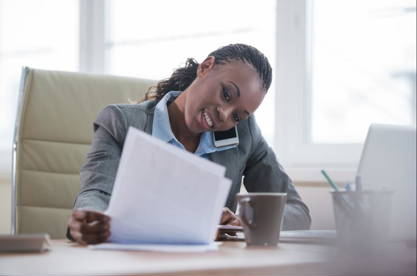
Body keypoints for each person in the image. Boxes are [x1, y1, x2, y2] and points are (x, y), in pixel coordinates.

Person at [67, 43, 311, 245]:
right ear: (205, 67)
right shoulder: (121, 122)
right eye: (226, 94)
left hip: (203, 271)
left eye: (238, 115)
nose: (225, 115)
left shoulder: (244, 134)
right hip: (133, 263)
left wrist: (244, 221)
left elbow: (296, 211)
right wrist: (92, 217)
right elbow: (96, 193)